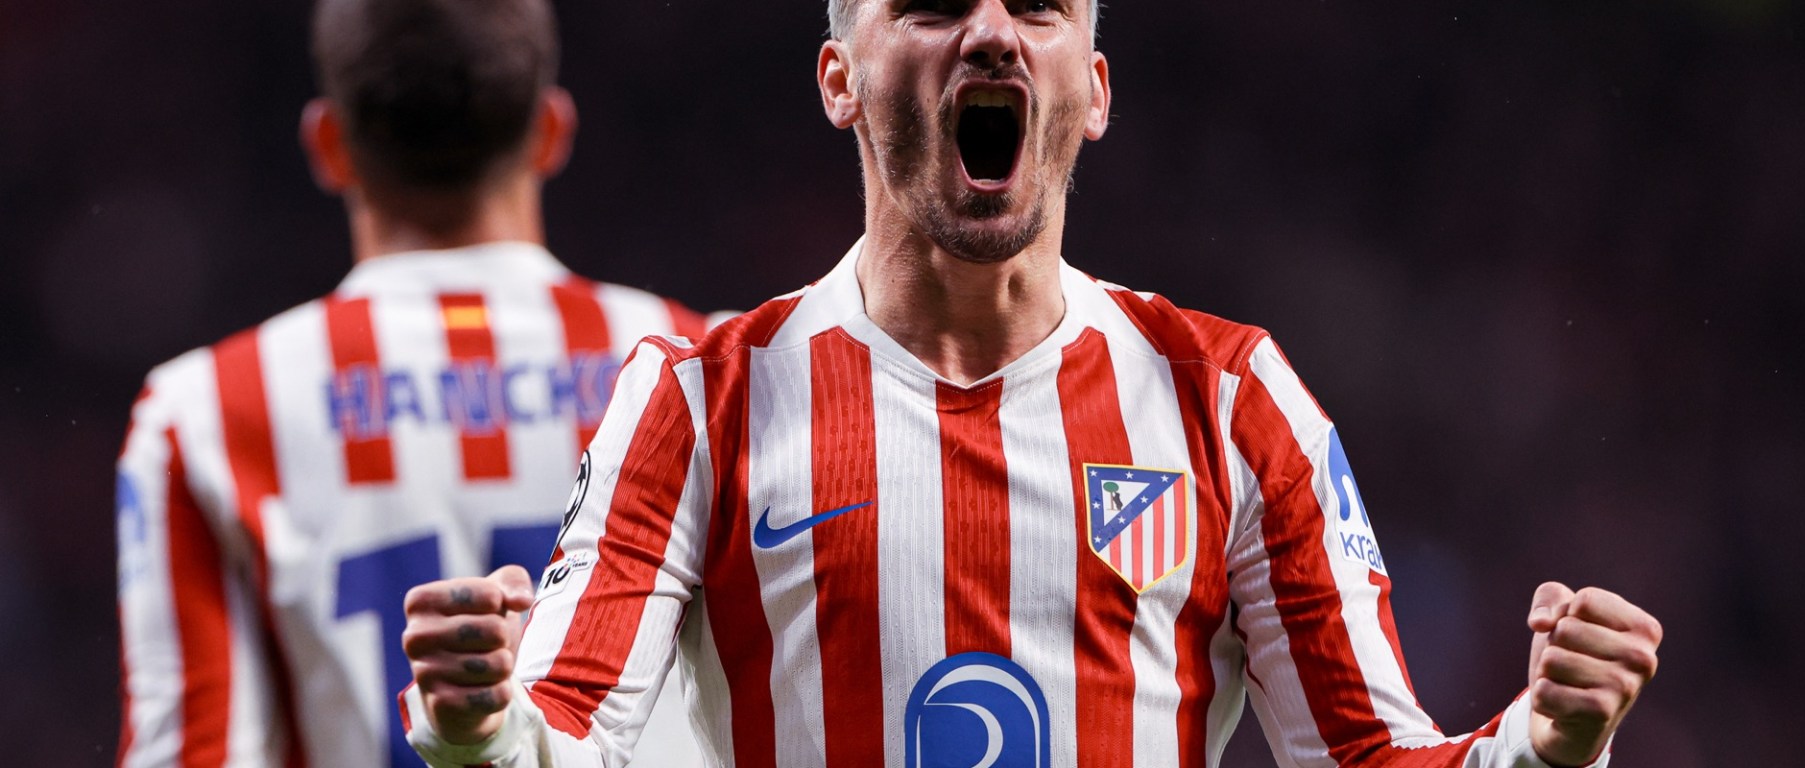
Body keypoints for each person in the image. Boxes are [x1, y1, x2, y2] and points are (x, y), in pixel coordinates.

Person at [397, 1, 1664, 766]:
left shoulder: (1231, 398)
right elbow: (563, 733)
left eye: (1041, 8)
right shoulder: (698, 401)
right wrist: (476, 726)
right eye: (934, 4)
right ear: (840, 79)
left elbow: (1373, 758)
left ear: (1093, 93)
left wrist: (1545, 744)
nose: (994, 30)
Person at [111, 0, 711, 765]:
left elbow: (191, 754)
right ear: (551, 131)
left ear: (328, 144)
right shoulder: (708, 363)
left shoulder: (206, 413)